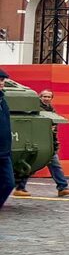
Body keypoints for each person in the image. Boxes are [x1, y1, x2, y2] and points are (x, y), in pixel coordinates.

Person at [13, 87, 69, 199]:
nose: (46, 98)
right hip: (38, 143)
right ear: (39, 98)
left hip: (49, 143)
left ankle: (62, 187)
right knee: (32, 165)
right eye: (44, 96)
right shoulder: (34, 109)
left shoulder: (51, 110)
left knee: (37, 165)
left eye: (49, 97)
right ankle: (62, 187)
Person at [0, 68, 13, 209]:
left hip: (4, 152)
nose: (1, 83)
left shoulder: (3, 101)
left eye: (2, 80)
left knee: (8, 183)